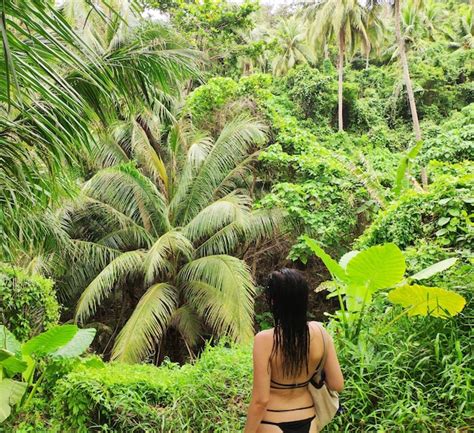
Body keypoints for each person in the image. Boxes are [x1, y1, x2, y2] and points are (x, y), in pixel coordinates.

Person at [244, 268, 344, 433]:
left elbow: (261, 400)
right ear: (303, 299)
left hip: (272, 422)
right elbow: (337, 384)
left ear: (274, 302)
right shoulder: (321, 333)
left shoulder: (264, 340)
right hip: (308, 420)